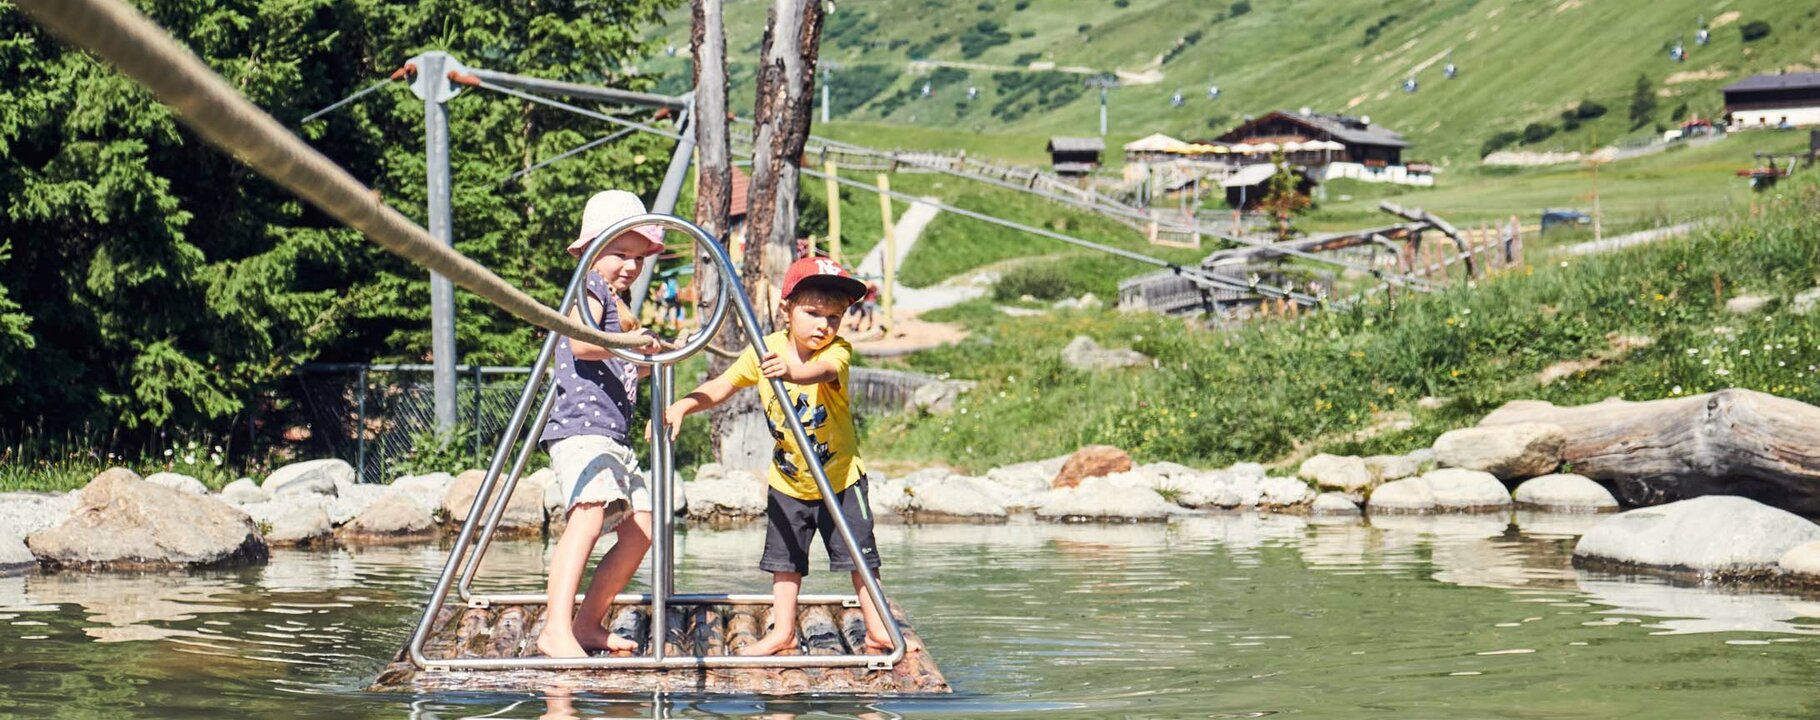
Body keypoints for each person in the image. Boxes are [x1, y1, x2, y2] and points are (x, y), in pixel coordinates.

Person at [660, 257, 895, 656]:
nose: (824, 325)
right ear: (786, 309)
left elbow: (820, 372)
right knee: (785, 562)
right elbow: (723, 386)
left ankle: (877, 629)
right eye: (813, 313)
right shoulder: (764, 349)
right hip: (788, 481)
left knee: (859, 556)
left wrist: (788, 371)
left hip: (840, 478)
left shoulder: (838, 352)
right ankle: (782, 631)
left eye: (834, 317)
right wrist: (683, 405)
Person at [534, 190, 668, 659]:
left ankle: (587, 623)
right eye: (620, 253)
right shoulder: (587, 287)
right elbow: (584, 344)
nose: (629, 266)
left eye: (637, 257)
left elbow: (617, 361)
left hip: (612, 436)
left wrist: (647, 358)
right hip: (580, 431)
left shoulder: (617, 300)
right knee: (588, 517)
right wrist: (630, 341)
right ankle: (555, 628)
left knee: (642, 529)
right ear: (591, 252)